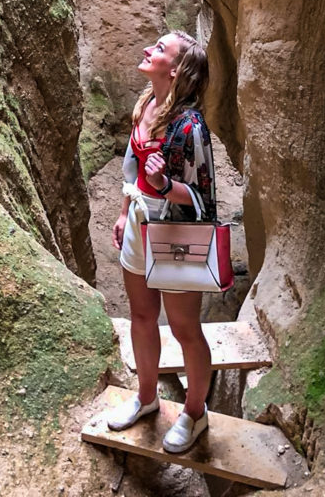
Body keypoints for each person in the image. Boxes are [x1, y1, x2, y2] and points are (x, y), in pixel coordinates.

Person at [108, 30, 216, 454]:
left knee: (186, 328)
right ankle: (148, 396)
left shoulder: (189, 126)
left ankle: (194, 412)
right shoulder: (145, 105)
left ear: (175, 70)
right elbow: (131, 166)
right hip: (139, 223)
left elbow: (202, 198)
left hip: (175, 235)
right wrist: (122, 212)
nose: (147, 50)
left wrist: (164, 184)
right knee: (141, 315)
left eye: (159, 49)